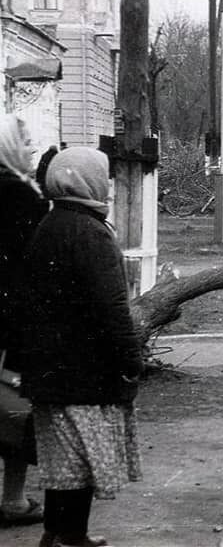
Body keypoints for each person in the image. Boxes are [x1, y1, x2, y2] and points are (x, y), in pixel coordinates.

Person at [21, 147, 143, 547]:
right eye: (103, 176)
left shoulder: (50, 224)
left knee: (63, 463)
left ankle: (58, 534)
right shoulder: (91, 233)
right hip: (87, 371)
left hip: (50, 367)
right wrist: (130, 359)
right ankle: (70, 538)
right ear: (88, 181)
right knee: (84, 461)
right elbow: (113, 307)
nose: (107, 184)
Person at [0, 115, 48, 528]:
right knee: (15, 409)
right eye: (27, 142)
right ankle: (13, 499)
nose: (34, 148)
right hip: (12, 323)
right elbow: (31, 270)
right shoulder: (18, 196)